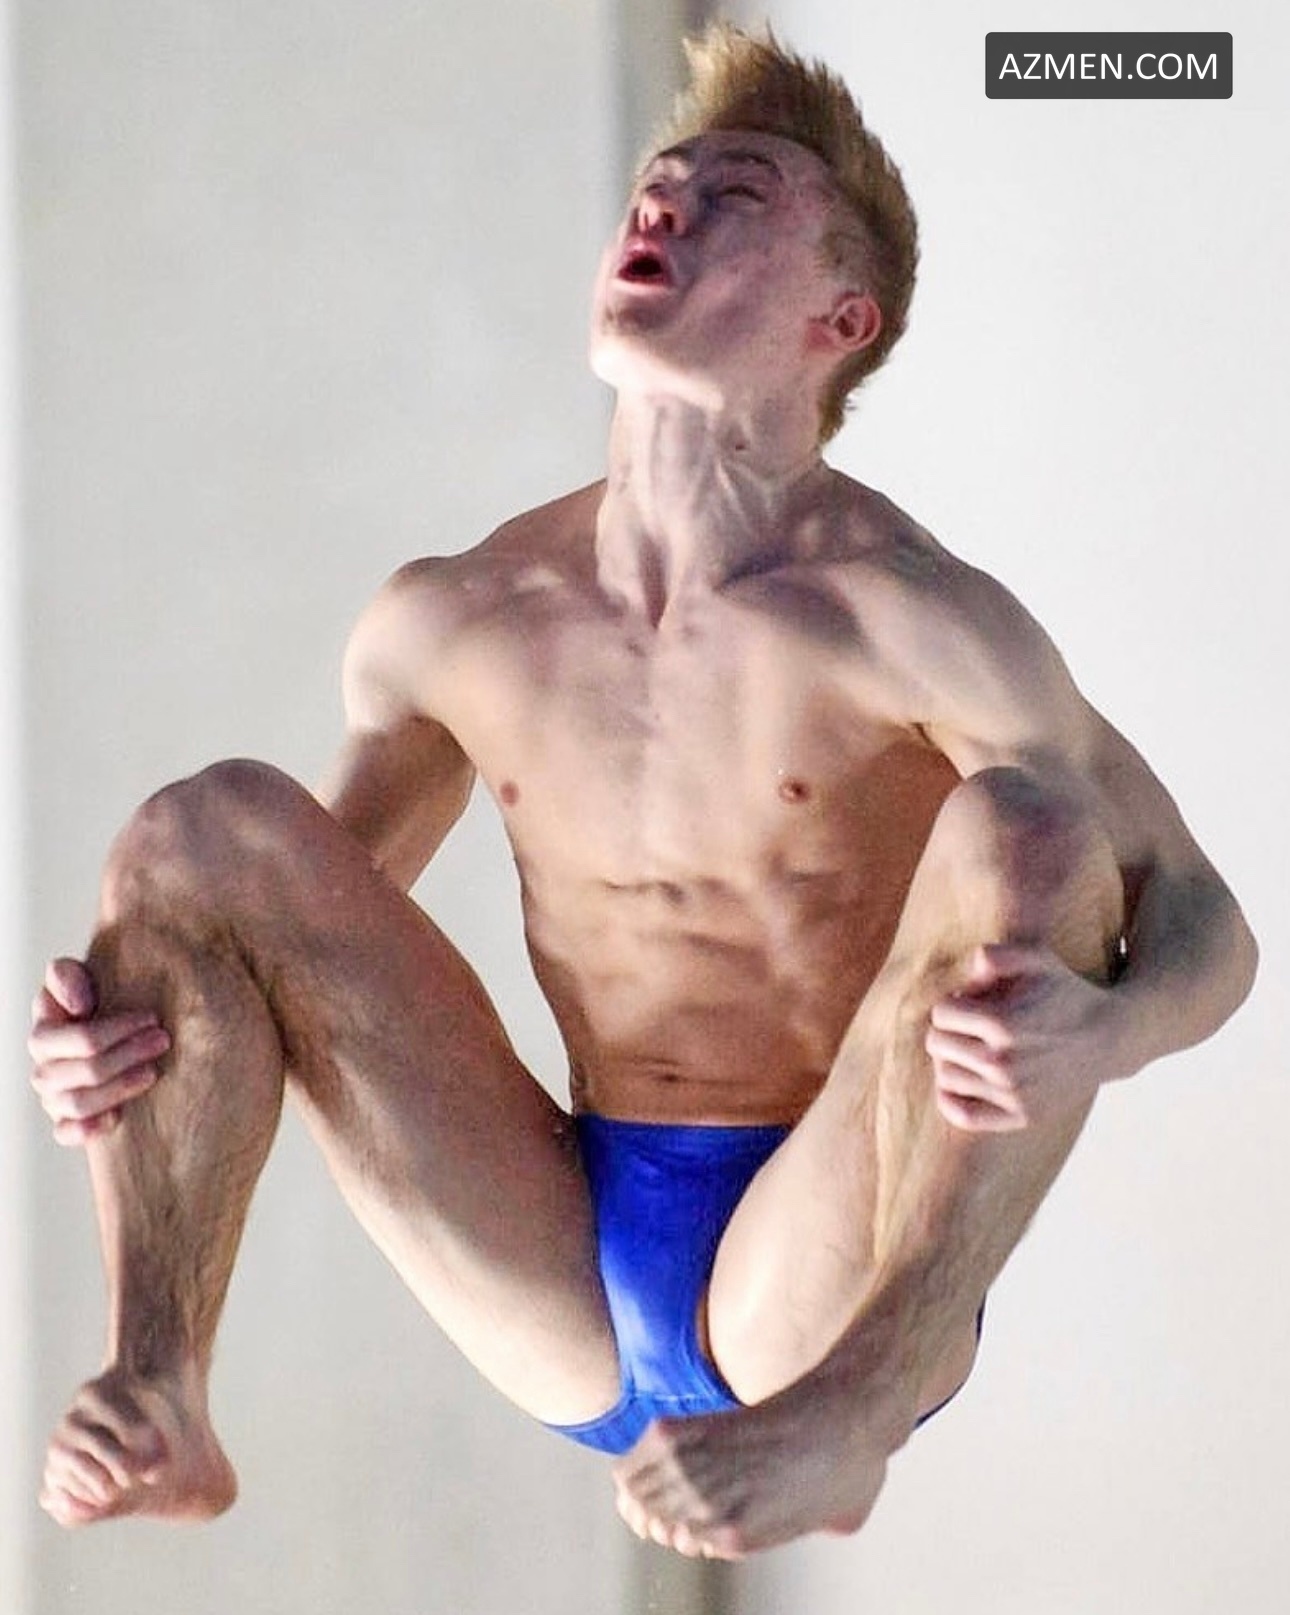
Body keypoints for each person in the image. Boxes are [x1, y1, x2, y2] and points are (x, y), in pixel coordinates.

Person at [27, 24, 1256, 1560]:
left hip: (829, 1250)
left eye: (732, 195)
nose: (664, 205)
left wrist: (1107, 1029)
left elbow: (1204, 923)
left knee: (1034, 837)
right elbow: (252, 948)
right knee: (197, 836)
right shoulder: (456, 616)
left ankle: (855, 1414)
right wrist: (120, 1046)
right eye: (656, 187)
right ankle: (159, 1386)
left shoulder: (909, 615)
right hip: (551, 1248)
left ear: (839, 320)